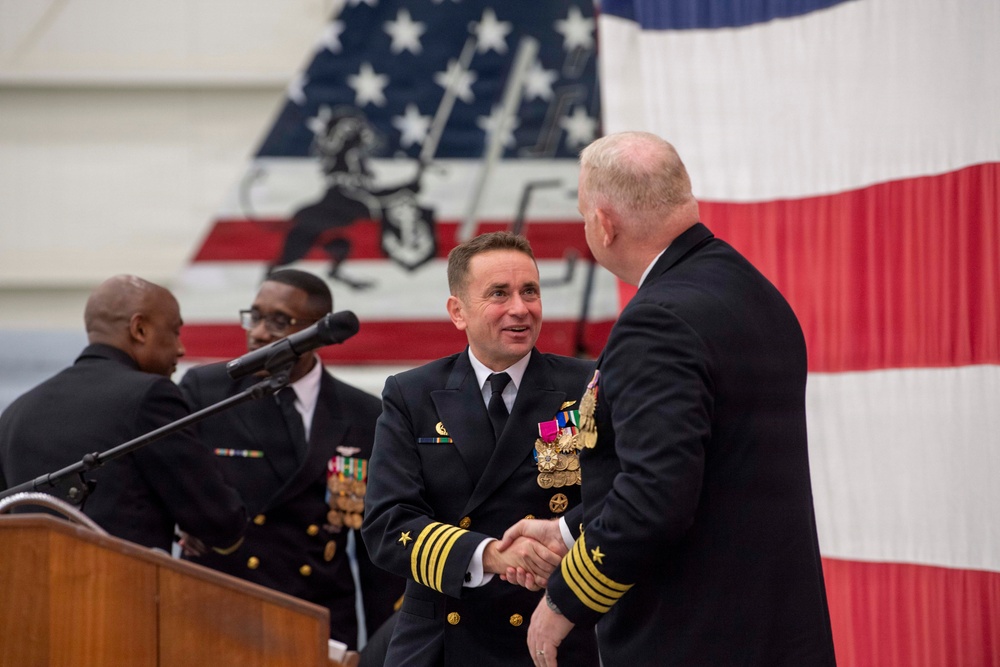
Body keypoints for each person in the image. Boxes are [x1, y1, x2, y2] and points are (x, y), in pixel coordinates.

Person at [503, 132, 837, 666]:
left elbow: (655, 498)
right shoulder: (753, 292)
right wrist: (568, 530)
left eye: (584, 213)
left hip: (694, 635)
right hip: (775, 630)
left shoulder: (656, 322)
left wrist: (565, 600)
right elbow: (697, 470)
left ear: (605, 224)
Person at [361, 232, 599, 667]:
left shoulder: (588, 386)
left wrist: (560, 544)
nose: (520, 308)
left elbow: (619, 496)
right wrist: (492, 554)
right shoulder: (412, 394)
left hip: (554, 627)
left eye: (530, 291)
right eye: (499, 294)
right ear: (458, 312)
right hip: (443, 640)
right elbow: (386, 525)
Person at [179, 269, 403, 648]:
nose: (260, 332)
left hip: (317, 614)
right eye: (255, 315)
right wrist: (181, 518)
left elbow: (376, 543)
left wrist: (387, 647)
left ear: (319, 332)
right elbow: (169, 475)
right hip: (219, 606)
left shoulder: (361, 413)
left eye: (280, 321)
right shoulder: (209, 391)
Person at [0, 275, 246, 554]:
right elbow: (221, 522)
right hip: (120, 591)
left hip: (30, 593)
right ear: (139, 329)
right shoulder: (151, 396)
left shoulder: (16, 413)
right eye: (175, 332)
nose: (181, 349)